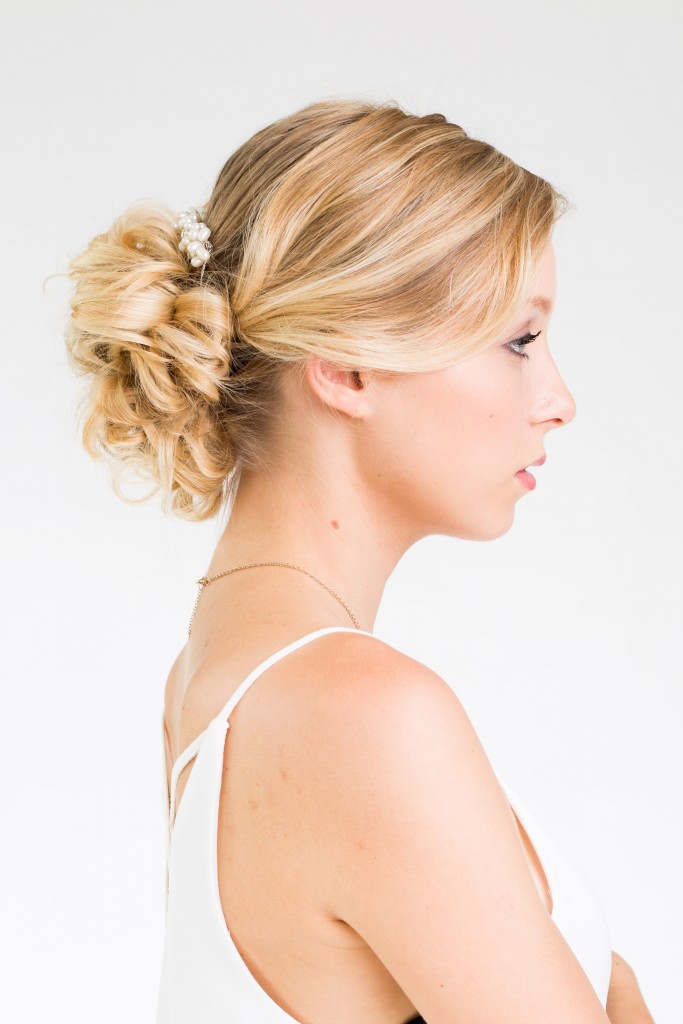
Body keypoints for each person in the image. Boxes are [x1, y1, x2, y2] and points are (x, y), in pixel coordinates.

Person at [65, 100, 655, 1023]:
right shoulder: (359, 713)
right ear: (346, 368)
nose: (559, 400)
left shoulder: (217, 678)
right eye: (519, 340)